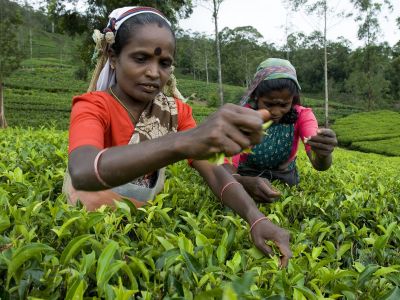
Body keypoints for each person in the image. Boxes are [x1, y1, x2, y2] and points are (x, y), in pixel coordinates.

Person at [63, 7, 292, 266]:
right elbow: (83, 170)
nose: (153, 72)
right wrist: (183, 142)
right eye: (141, 58)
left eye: (164, 63)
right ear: (114, 58)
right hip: (87, 226)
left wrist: (256, 218)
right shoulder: (92, 105)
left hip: (143, 226)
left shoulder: (177, 112)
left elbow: (215, 171)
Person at [224, 58, 337, 203]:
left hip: (284, 174)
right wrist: (240, 181)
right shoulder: (244, 115)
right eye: (269, 104)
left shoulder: (303, 116)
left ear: (293, 99)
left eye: (284, 105)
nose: (276, 112)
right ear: (256, 96)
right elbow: (227, 161)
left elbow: (319, 165)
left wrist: (323, 154)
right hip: (247, 172)